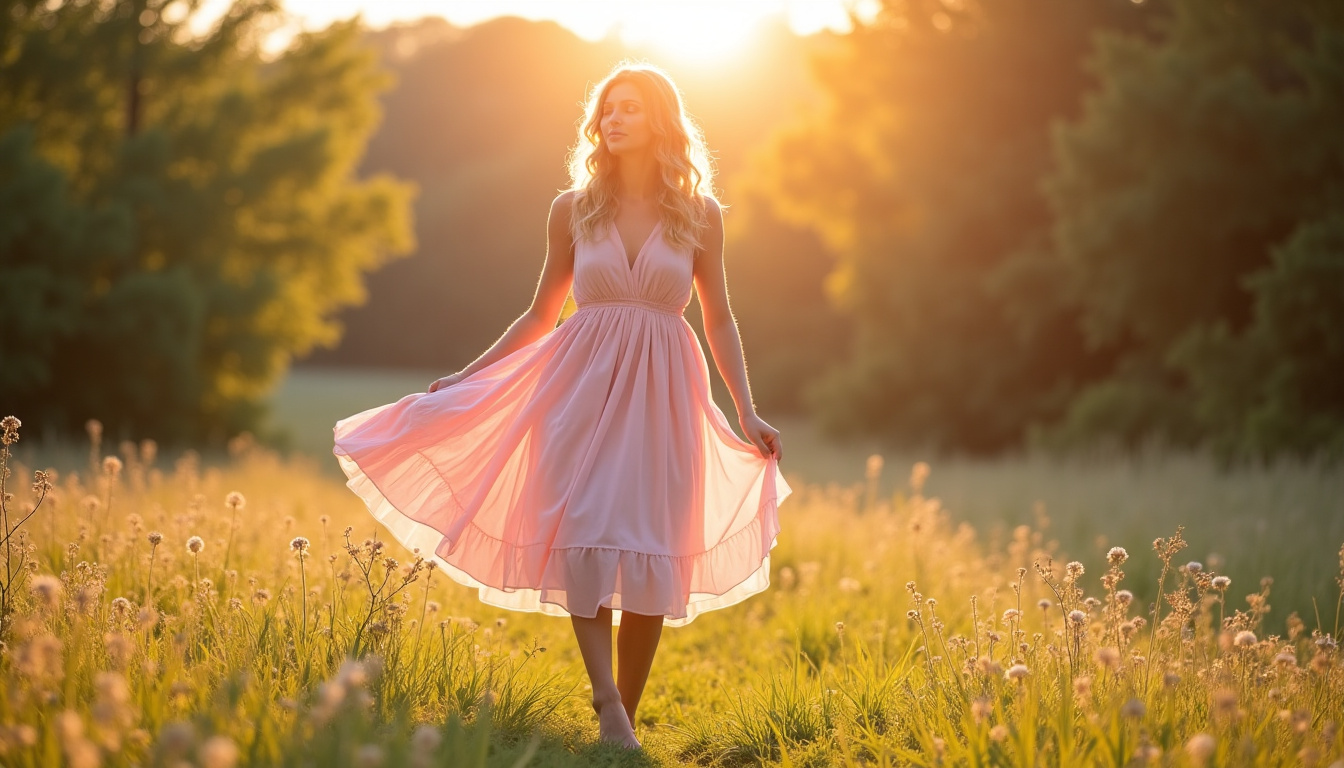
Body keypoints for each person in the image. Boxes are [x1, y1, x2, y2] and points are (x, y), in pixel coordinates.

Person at [332, 61, 791, 749]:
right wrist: (468, 374)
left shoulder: (699, 215)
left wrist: (746, 410)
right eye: (607, 107)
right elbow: (541, 313)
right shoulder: (572, 209)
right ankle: (607, 703)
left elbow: (719, 318)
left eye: (630, 106)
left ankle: (621, 725)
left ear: (660, 119)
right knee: (581, 537)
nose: (614, 117)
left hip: (665, 396)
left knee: (649, 550)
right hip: (577, 391)